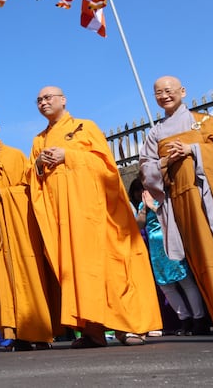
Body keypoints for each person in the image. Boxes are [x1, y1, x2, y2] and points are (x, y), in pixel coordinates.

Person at [29, 86, 161, 348]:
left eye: (48, 97)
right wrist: (38, 166)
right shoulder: (38, 140)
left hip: (94, 213)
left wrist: (69, 155)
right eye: (39, 100)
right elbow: (34, 180)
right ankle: (92, 331)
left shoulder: (84, 127)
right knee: (77, 271)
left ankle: (129, 327)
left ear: (63, 100)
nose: (43, 102)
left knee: (110, 266)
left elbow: (107, 166)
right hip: (64, 219)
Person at [139, 76, 213, 339]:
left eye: (169, 90)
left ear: (182, 92)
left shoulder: (204, 122)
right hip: (182, 204)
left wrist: (195, 150)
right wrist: (165, 162)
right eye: (158, 93)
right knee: (204, 261)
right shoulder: (155, 133)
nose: (164, 96)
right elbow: (146, 169)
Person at [0, 116, 56, 350]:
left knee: (26, 274)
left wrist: (1, 193)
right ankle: (12, 331)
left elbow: (28, 189)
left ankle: (38, 331)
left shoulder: (14, 155)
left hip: (18, 228)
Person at [132, 180, 207, 335]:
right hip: (155, 248)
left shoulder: (165, 197)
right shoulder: (142, 205)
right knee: (166, 286)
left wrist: (154, 205)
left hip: (170, 241)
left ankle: (199, 320)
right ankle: (185, 319)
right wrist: (144, 208)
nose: (142, 191)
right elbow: (139, 225)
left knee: (185, 281)